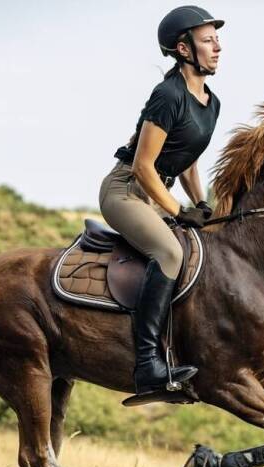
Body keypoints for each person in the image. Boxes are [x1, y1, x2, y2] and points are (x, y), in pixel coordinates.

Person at [99, 5, 223, 399]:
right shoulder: (168, 95)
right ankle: (148, 364)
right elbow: (143, 167)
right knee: (170, 253)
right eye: (208, 40)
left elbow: (187, 158)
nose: (218, 47)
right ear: (184, 49)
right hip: (126, 192)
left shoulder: (210, 101)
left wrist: (201, 203)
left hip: (158, 192)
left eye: (218, 39)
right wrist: (178, 211)